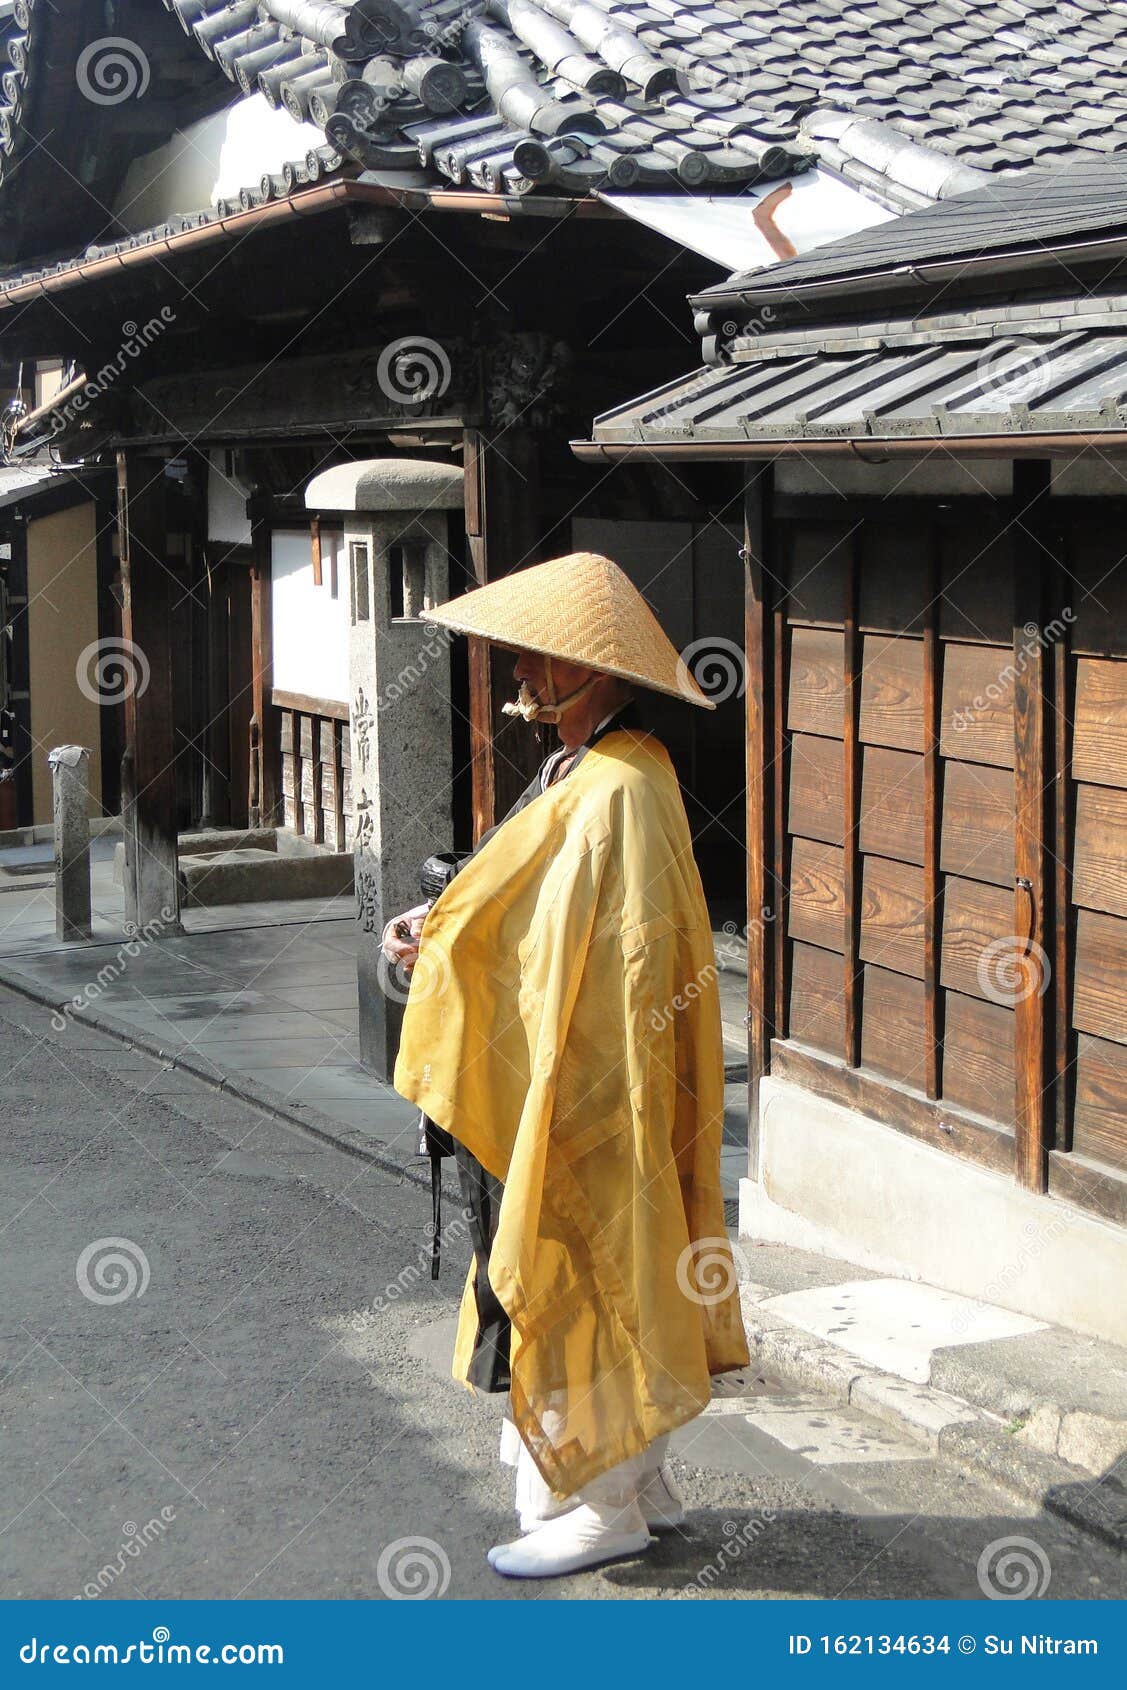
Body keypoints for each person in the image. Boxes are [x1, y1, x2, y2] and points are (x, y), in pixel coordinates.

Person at [384, 551, 749, 1579]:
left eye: (542, 662)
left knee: (589, 1273)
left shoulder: (623, 785)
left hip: (594, 1074)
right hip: (560, 1059)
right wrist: (442, 922)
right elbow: (522, 901)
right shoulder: (579, 774)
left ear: (591, 672)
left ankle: (607, 1503)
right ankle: (637, 1482)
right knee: (589, 1266)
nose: (526, 679)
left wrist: (463, 943)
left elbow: (611, 954)